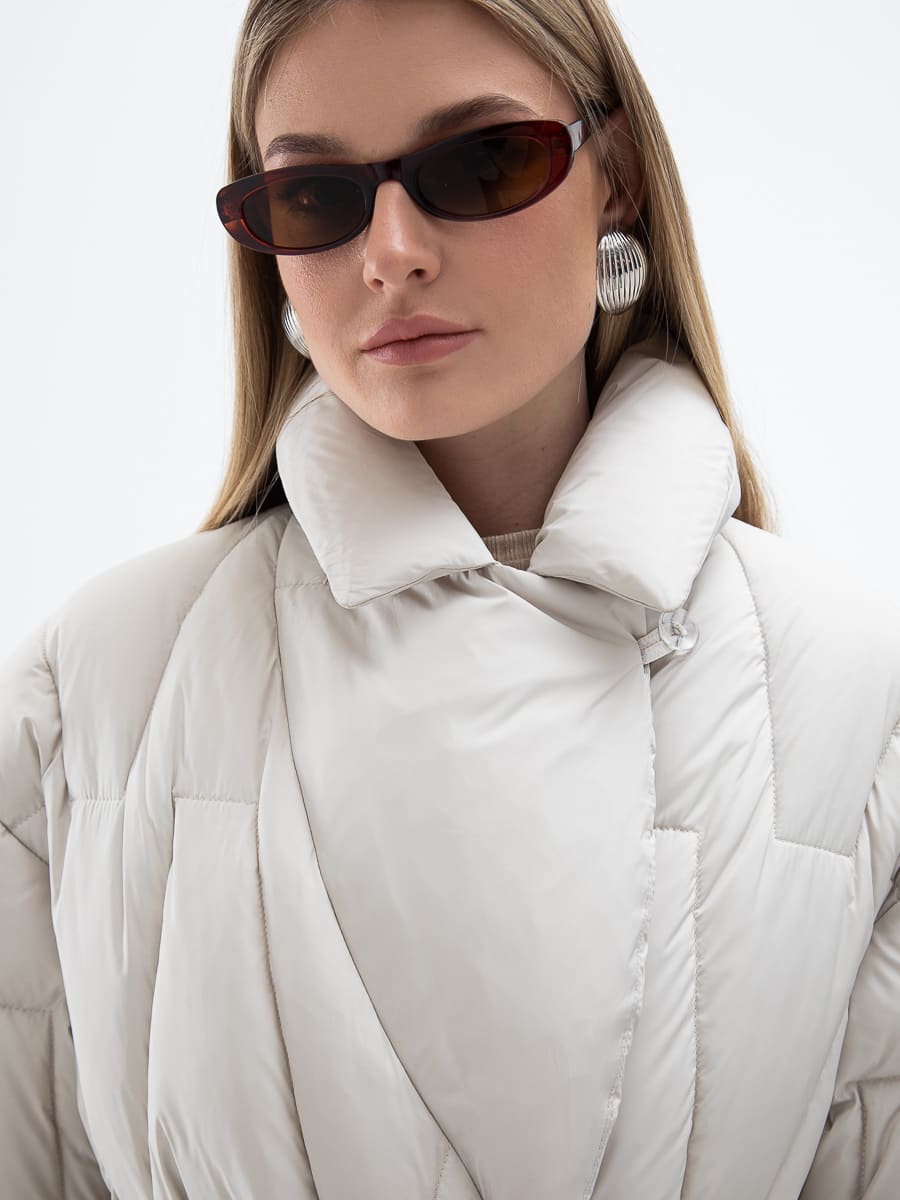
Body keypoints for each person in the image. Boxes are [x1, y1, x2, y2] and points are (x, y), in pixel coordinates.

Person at [1, 0, 897, 1196]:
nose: (393, 253)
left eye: (480, 164)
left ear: (617, 177)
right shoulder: (93, 686)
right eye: (315, 198)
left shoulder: (857, 699)